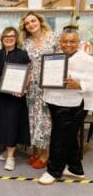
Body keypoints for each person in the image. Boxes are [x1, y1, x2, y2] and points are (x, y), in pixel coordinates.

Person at [39, 28, 92, 185]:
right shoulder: (56, 58)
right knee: (68, 136)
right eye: (65, 41)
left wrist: (80, 84)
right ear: (60, 42)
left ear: (79, 42)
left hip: (74, 104)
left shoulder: (87, 60)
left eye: (72, 41)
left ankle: (53, 171)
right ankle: (76, 169)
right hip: (55, 101)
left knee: (59, 137)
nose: (68, 44)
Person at [0, 27, 31, 171]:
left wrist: (23, 89)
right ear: (2, 38)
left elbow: (28, 74)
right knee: (2, 124)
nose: (8, 38)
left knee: (12, 125)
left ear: (16, 38)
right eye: (6, 36)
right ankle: (7, 150)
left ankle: (11, 157)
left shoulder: (22, 54)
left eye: (11, 36)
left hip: (15, 96)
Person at [19, 12, 58, 169]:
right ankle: (35, 150)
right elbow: (25, 65)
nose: (31, 24)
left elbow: (63, 58)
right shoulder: (25, 43)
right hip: (32, 86)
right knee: (33, 119)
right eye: (27, 23)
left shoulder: (53, 37)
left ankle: (45, 154)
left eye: (33, 21)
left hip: (50, 84)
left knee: (46, 120)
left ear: (40, 21)